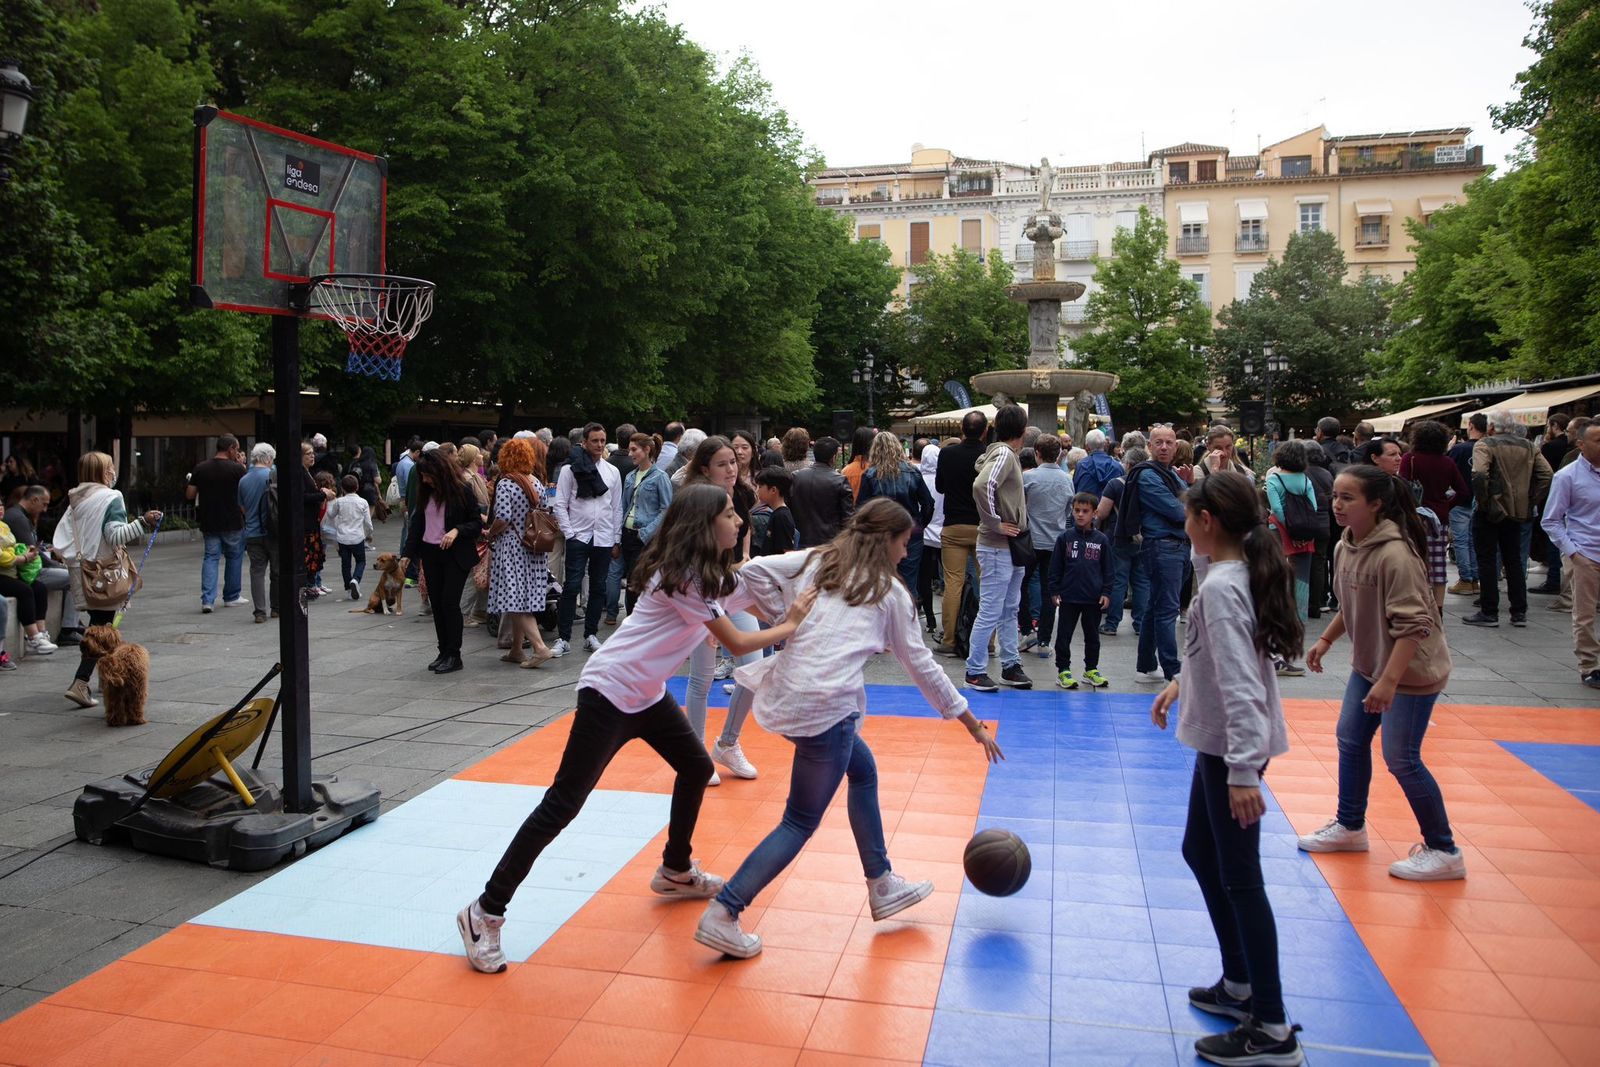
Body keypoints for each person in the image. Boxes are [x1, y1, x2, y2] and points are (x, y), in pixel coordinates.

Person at [457, 485, 816, 974]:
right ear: (704, 524)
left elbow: (750, 583)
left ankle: (675, 869)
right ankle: (485, 912)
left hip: (644, 694)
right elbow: (734, 640)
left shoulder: (704, 575)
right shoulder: (684, 577)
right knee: (562, 804)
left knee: (694, 768)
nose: (739, 522)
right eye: (731, 514)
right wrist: (792, 621)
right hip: (609, 692)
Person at [693, 498, 1004, 958]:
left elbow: (757, 569)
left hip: (792, 697)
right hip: (827, 709)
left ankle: (881, 882)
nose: (905, 554)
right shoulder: (890, 595)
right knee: (798, 821)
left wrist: (728, 602)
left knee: (863, 769)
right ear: (885, 542)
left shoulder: (820, 561)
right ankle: (725, 911)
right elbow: (923, 667)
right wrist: (971, 723)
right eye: (903, 543)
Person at [1149, 469, 1306, 1067]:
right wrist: (1181, 681)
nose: (1182, 523)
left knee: (1242, 879)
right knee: (1199, 850)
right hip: (1222, 741)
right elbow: (1218, 658)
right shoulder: (1225, 574)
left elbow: (1243, 685)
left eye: (1189, 515)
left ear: (1206, 522)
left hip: (1231, 747)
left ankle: (1270, 1026)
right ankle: (1240, 984)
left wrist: (1242, 770)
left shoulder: (1223, 585)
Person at [1300, 464, 1462, 881]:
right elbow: (1351, 603)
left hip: (1410, 671)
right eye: (1335, 495)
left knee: (1402, 759)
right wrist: (1326, 640)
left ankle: (1444, 850)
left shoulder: (1396, 554)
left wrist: (1390, 681)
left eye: (1348, 497)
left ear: (1375, 504)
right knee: (1350, 740)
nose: (1337, 504)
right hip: (1370, 665)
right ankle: (1350, 826)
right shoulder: (1346, 545)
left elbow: (1414, 626)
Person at [680, 436, 762, 784]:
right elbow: (690, 561)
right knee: (702, 676)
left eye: (734, 461)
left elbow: (742, 541)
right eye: (722, 463)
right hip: (701, 592)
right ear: (704, 469)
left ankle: (727, 742)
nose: (732, 468)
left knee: (754, 667)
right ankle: (697, 753)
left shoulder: (741, 493)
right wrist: (708, 618)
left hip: (727, 585)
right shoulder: (695, 502)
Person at [52, 452, 161, 708]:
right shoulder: (112, 497)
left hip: (82, 572)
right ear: (103, 472)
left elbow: (61, 539)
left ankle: (108, 678)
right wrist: (143, 522)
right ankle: (81, 683)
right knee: (102, 631)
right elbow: (115, 536)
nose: (113, 471)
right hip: (105, 574)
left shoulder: (76, 499)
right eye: (111, 467)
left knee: (101, 625)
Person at [1463, 412, 1553, 628]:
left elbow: (1479, 474)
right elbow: (1547, 474)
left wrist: (1484, 501)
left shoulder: (1485, 444)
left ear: (1492, 426)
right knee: (1513, 560)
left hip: (1490, 511)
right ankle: (1519, 611)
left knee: (1487, 559)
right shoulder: (1529, 446)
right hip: (1517, 511)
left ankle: (1489, 611)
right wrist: (1531, 499)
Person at [966, 403, 1031, 692]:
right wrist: (995, 522)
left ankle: (1009, 664)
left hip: (1008, 544)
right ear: (1023, 430)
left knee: (1008, 607)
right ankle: (975, 669)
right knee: (994, 609)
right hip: (998, 544)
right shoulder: (1005, 454)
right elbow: (982, 486)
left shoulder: (1003, 453)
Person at [407, 448, 484, 675]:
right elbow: (417, 525)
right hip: (430, 554)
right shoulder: (426, 493)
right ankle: (443, 651)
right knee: (437, 605)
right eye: (423, 475)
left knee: (450, 603)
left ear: (440, 472)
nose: (425, 479)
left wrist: (456, 531)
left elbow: (476, 523)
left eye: (428, 475)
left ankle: (454, 654)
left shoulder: (462, 491)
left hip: (454, 555)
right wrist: (406, 555)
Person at [551, 423, 622, 656]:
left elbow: (616, 507)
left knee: (598, 587)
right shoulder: (569, 470)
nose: (600, 445)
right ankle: (563, 637)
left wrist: (616, 538)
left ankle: (590, 634)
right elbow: (560, 503)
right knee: (572, 585)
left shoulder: (611, 472)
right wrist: (570, 533)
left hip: (604, 535)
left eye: (603, 440)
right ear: (585, 442)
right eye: (595, 441)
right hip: (579, 535)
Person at [1133, 426, 1196, 684]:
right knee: (1167, 609)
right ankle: (1172, 668)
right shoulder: (1148, 475)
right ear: (1149, 445)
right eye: (1158, 442)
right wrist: (1190, 495)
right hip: (1163, 546)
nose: (1164, 447)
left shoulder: (1171, 474)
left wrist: (1190, 485)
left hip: (1176, 546)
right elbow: (1180, 511)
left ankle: (1147, 664)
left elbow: (1189, 503)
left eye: (1169, 443)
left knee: (1157, 606)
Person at [486, 436, 554, 669]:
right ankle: (517, 649)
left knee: (513, 600)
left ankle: (539, 647)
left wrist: (489, 532)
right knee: (523, 596)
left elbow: (503, 518)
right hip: (533, 547)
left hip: (512, 547)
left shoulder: (506, 483)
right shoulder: (535, 481)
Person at [1541, 421, 1600, 688]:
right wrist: (1574, 553)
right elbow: (1551, 519)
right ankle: (1590, 666)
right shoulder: (1567, 476)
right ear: (1581, 445)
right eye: (1598, 440)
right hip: (1585, 552)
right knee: (1585, 613)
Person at [857, 432, 935, 597]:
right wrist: (919, 524)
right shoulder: (912, 472)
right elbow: (928, 504)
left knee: (881, 582)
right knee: (908, 582)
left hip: (880, 533)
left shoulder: (871, 475)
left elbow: (861, 510)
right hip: (910, 532)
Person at [1264, 441, 1318, 677]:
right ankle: (1296, 630)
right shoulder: (1306, 480)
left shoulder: (1274, 479)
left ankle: (1277, 639)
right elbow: (1314, 507)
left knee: (1278, 585)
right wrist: (1300, 534)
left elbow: (1276, 509)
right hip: (1305, 537)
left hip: (1279, 535)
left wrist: (1288, 531)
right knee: (1301, 586)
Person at [935, 411, 987, 655]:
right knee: (986, 584)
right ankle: (987, 641)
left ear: (962, 430)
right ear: (985, 431)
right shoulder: (989, 455)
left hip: (954, 524)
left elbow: (940, 486)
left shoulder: (947, 453)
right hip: (984, 527)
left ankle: (949, 640)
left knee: (953, 583)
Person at [1049, 492, 1113, 690]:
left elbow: (1109, 569)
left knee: (1092, 636)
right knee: (1064, 635)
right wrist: (1054, 590)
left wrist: (1106, 592)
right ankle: (1063, 670)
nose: (1080, 515)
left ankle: (1091, 669)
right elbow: (1055, 567)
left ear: (1094, 513)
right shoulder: (1064, 538)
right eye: (1077, 510)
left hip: (1093, 598)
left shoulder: (1101, 540)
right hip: (1069, 597)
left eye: (1085, 511)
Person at [1021, 434, 1073, 656]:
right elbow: (1068, 511)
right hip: (1056, 541)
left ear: (1037, 453)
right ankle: (1044, 641)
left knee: (1020, 585)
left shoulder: (1028, 477)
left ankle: (1026, 629)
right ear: (1059, 453)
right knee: (1050, 591)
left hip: (1031, 540)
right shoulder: (1066, 479)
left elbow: (1020, 508)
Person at [5, 485, 76, 639]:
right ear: (34, 499)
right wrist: (58, 565)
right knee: (74, 577)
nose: (45, 510)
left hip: (26, 568)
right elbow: (34, 554)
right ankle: (69, 629)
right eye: (44, 504)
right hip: (27, 571)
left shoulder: (19, 516)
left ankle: (72, 623)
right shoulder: (17, 518)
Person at [187, 434, 247, 613]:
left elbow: (190, 494)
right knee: (234, 557)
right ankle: (231, 596)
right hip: (233, 520)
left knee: (211, 558)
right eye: (236, 449)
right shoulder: (237, 469)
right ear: (231, 449)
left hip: (209, 520)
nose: (237, 452)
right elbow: (244, 495)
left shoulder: (201, 468)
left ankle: (207, 600)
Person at [616, 433, 673, 616]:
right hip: (628, 534)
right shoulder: (631, 476)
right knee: (631, 580)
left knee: (636, 581)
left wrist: (646, 532)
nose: (630, 454)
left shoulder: (660, 477)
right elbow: (624, 506)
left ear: (647, 450)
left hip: (645, 537)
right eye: (630, 449)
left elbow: (666, 509)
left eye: (634, 450)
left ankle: (635, 620)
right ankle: (633, 620)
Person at [1096, 446, 1150, 638]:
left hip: (1119, 538)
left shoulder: (1115, 484)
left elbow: (1101, 512)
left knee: (1118, 581)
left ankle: (1111, 623)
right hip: (1144, 539)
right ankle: (1140, 623)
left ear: (1127, 464)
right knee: (1142, 581)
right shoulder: (1151, 484)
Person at [0, 515, 54, 655]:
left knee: (39, 588)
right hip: (3, 574)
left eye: (1, 505)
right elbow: (2, 557)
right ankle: (33, 638)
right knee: (24, 590)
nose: (0, 508)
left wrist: (23, 550)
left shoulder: (4, 526)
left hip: (12, 572)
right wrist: (23, 558)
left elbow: (12, 546)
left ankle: (41, 633)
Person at [1446, 415, 1486, 596]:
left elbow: (1446, 470)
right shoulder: (1488, 448)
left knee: (1461, 541)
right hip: (1480, 500)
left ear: (1470, 426)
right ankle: (1475, 578)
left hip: (1460, 500)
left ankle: (1466, 579)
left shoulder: (1460, 450)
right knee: (1473, 540)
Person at [238, 443, 277, 624]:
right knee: (277, 571)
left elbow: (243, 508)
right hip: (274, 532)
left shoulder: (244, 480)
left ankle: (259, 612)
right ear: (268, 458)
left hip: (252, 532)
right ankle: (276, 608)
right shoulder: (273, 475)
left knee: (257, 572)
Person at [790, 436, 853, 548]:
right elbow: (848, 518)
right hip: (829, 542)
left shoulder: (796, 477)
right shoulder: (840, 481)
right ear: (834, 457)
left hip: (799, 539)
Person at [326, 474, 374, 599]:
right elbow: (368, 523)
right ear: (357, 487)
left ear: (342, 488)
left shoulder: (339, 502)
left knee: (345, 564)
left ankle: (348, 588)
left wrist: (330, 502)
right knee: (361, 561)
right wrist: (369, 534)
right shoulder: (363, 502)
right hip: (357, 537)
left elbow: (331, 515)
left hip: (342, 538)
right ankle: (356, 580)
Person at [917, 440, 945, 635]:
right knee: (950, 578)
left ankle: (930, 618)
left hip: (924, 533)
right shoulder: (944, 480)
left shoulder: (918, 478)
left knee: (923, 578)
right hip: (943, 534)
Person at [752, 467, 795, 557]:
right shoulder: (777, 513)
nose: (757, 491)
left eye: (760, 487)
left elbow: (788, 552)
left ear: (773, 490)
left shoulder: (781, 517)